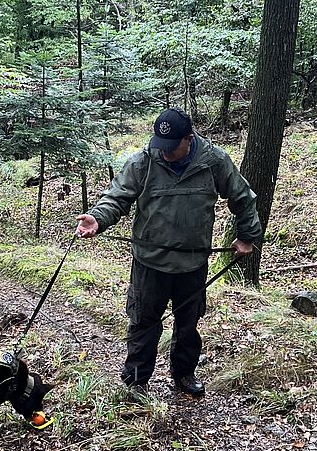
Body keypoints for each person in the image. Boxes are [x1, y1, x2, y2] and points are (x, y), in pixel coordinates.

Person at [75, 107, 262, 400]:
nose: (165, 153)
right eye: (161, 147)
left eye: (172, 148)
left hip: (193, 263)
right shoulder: (144, 161)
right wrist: (98, 219)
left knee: (188, 324)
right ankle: (136, 380)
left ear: (189, 139)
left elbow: (242, 196)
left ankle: (184, 374)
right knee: (143, 322)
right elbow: (117, 196)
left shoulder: (213, 161)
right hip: (150, 263)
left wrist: (247, 236)